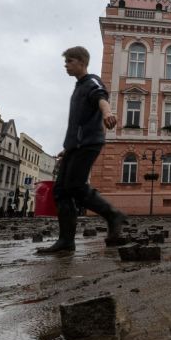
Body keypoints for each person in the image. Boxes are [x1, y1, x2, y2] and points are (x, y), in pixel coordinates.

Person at [39, 46, 128, 254]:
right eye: (66, 61)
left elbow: (101, 98)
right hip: (74, 146)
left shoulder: (91, 82)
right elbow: (77, 120)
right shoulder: (78, 87)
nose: (66, 65)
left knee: (76, 187)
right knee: (61, 191)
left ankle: (113, 214)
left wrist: (107, 113)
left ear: (81, 61)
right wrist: (66, 148)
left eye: (69, 61)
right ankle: (66, 241)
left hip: (89, 142)